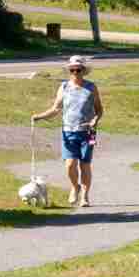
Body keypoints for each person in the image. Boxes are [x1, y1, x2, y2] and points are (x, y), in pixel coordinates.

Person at [31, 53, 104, 207]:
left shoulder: (91, 87)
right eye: (72, 70)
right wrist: (39, 116)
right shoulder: (64, 87)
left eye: (78, 70)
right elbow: (56, 108)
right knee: (70, 165)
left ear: (84, 70)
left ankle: (85, 195)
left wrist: (94, 120)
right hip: (68, 131)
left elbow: (99, 110)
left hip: (87, 132)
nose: (75, 73)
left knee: (85, 164)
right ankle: (75, 187)